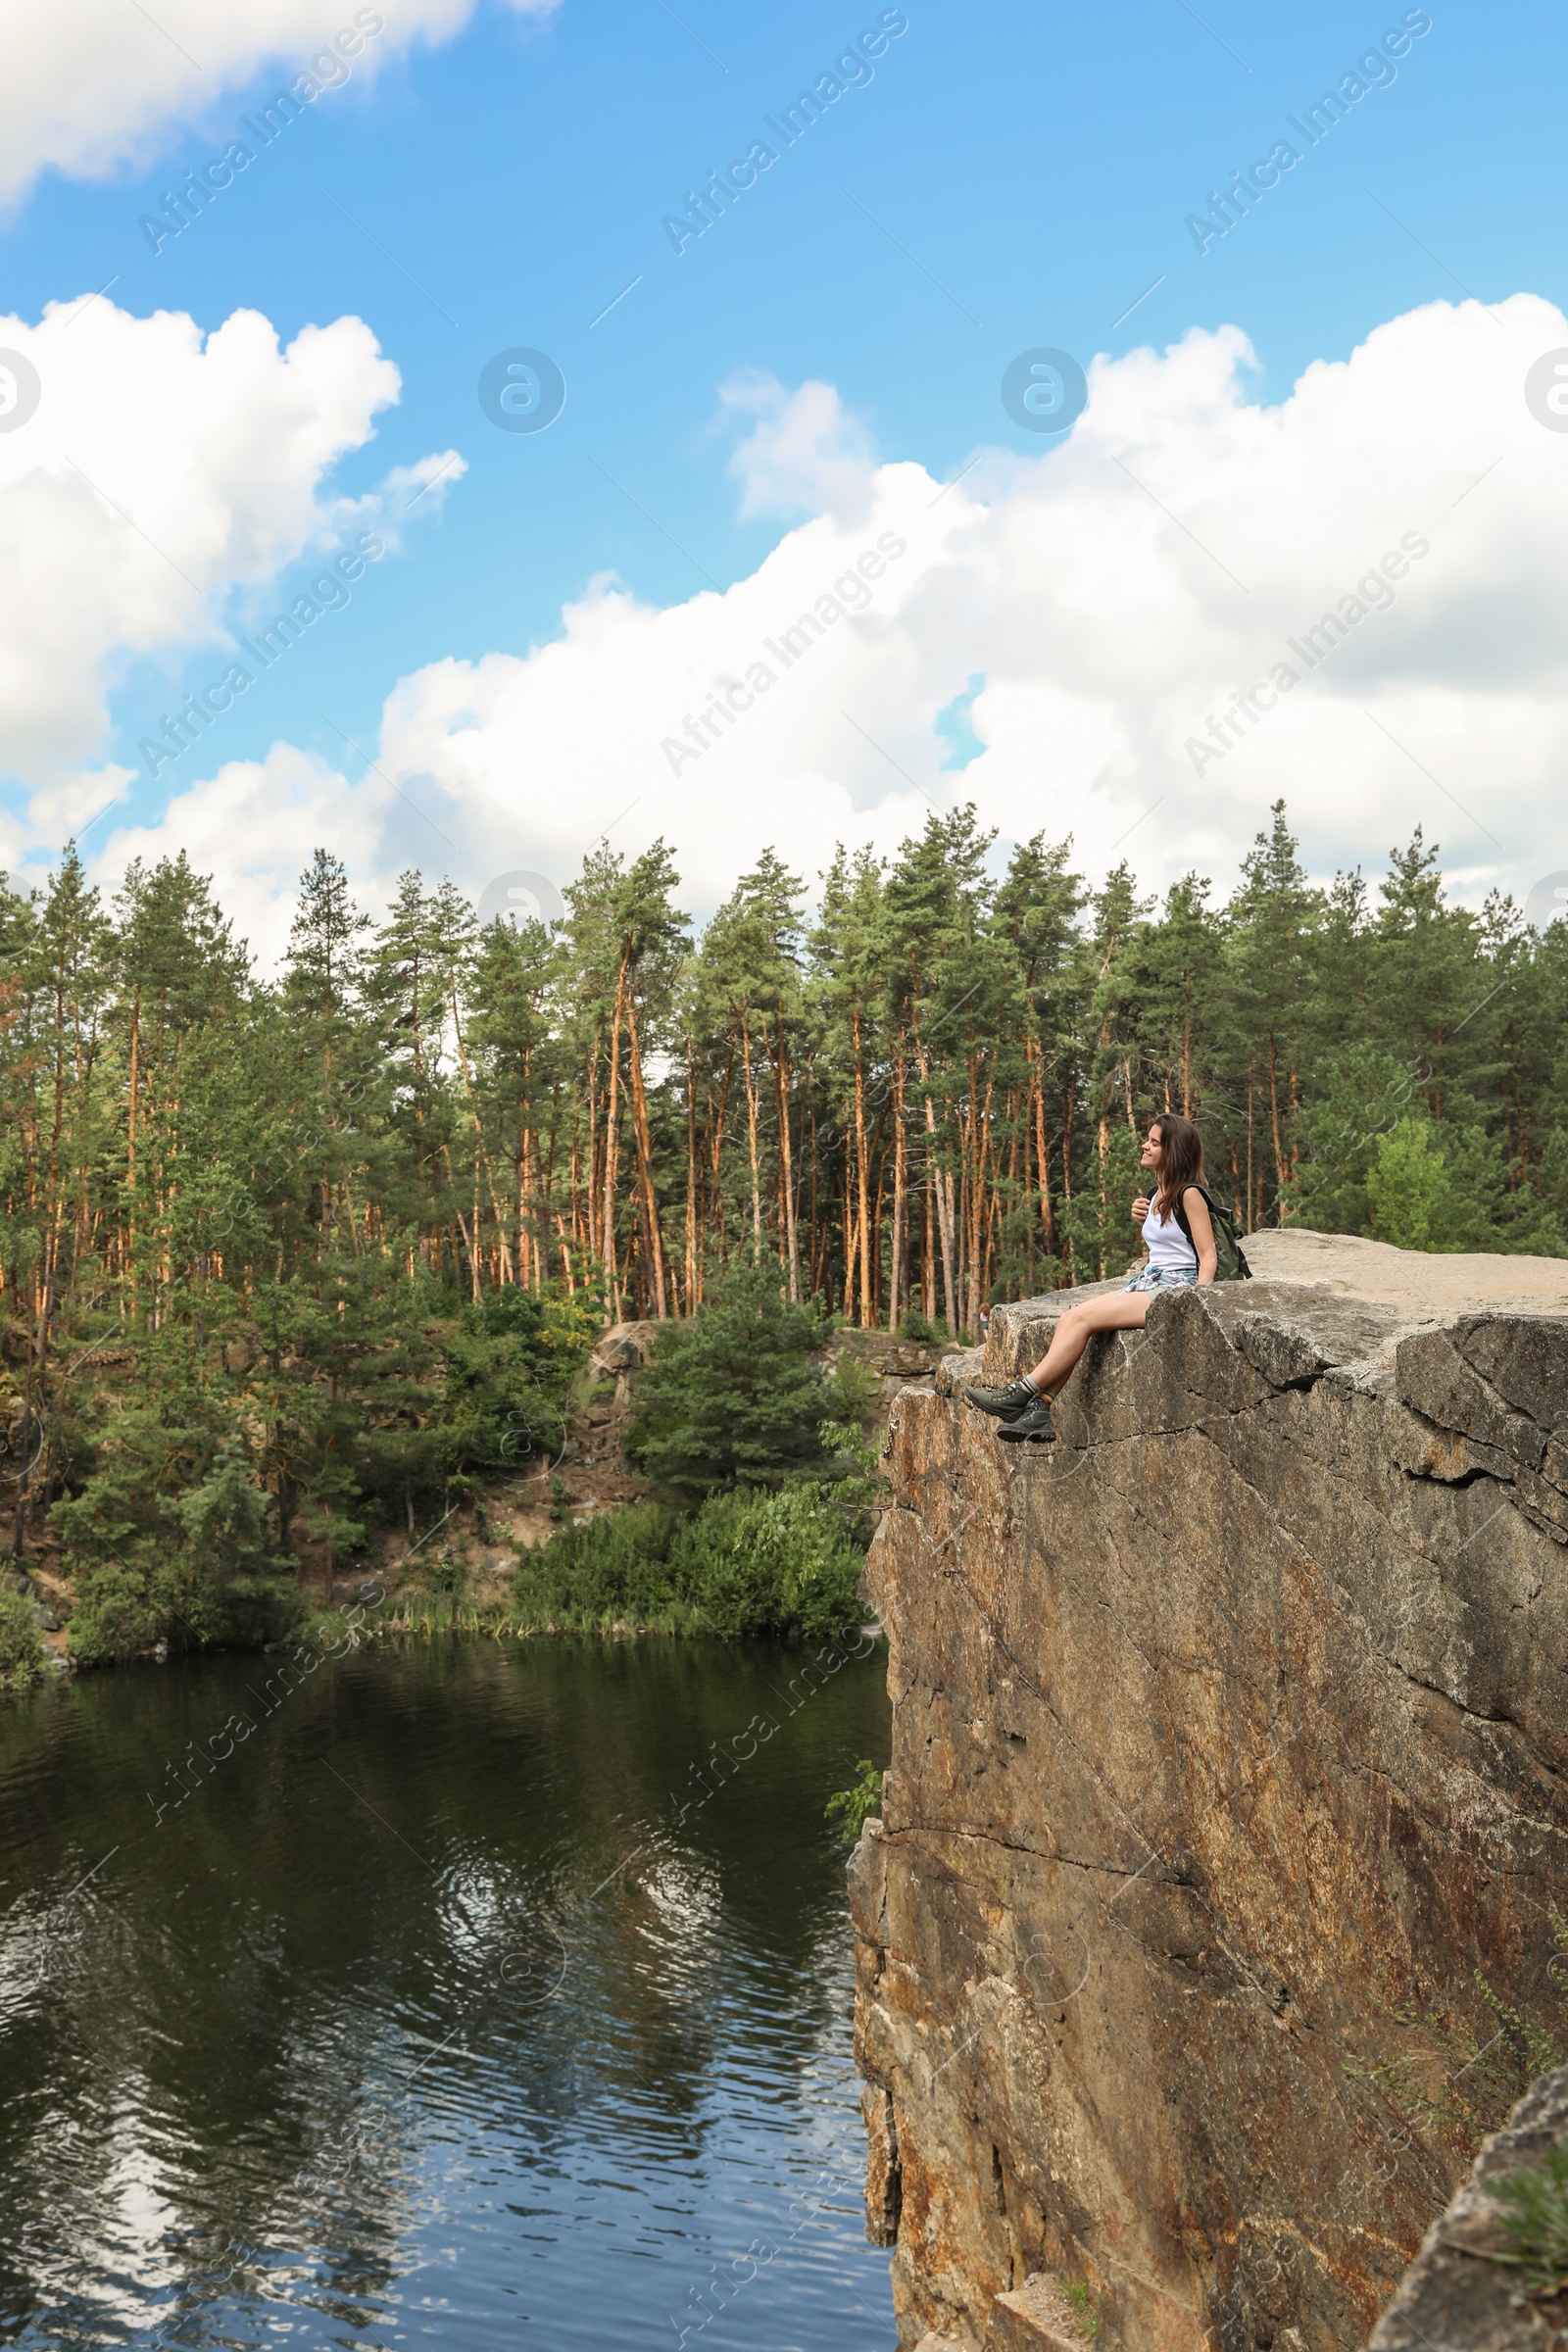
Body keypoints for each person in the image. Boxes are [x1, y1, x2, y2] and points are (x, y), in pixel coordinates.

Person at [964, 1112, 1217, 1443]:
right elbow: (1169, 1242)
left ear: (1173, 1152)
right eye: (1148, 1139)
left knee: (1081, 1319)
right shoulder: (1158, 1194)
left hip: (1174, 1291)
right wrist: (1143, 1217)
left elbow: (1207, 1254)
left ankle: (1019, 1393)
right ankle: (1040, 1409)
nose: (1145, 1145)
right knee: (1071, 1317)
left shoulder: (1189, 1194)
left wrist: (1198, 1305)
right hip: (1151, 1282)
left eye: (1154, 1143)